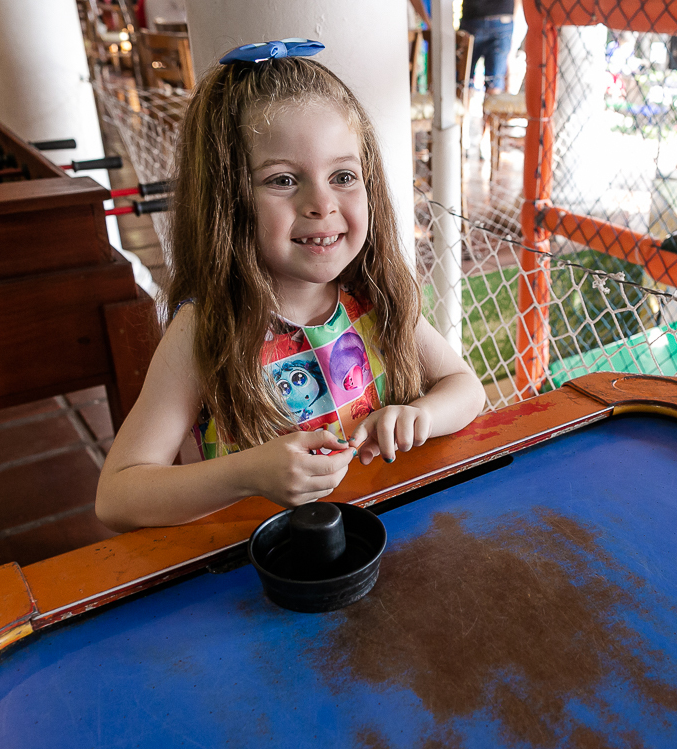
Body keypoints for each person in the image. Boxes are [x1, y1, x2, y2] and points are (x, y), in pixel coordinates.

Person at [96, 43, 486, 532]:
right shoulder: (204, 329)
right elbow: (116, 495)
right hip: (260, 569)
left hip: (383, 539)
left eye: (343, 175)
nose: (321, 203)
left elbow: (466, 388)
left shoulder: (372, 297)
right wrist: (246, 475)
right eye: (282, 180)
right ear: (227, 199)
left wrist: (418, 416)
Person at [459, 0, 518, 94]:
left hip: (473, 18)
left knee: (464, 81)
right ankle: (491, 105)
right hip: (502, 19)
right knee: (494, 82)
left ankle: (464, 106)